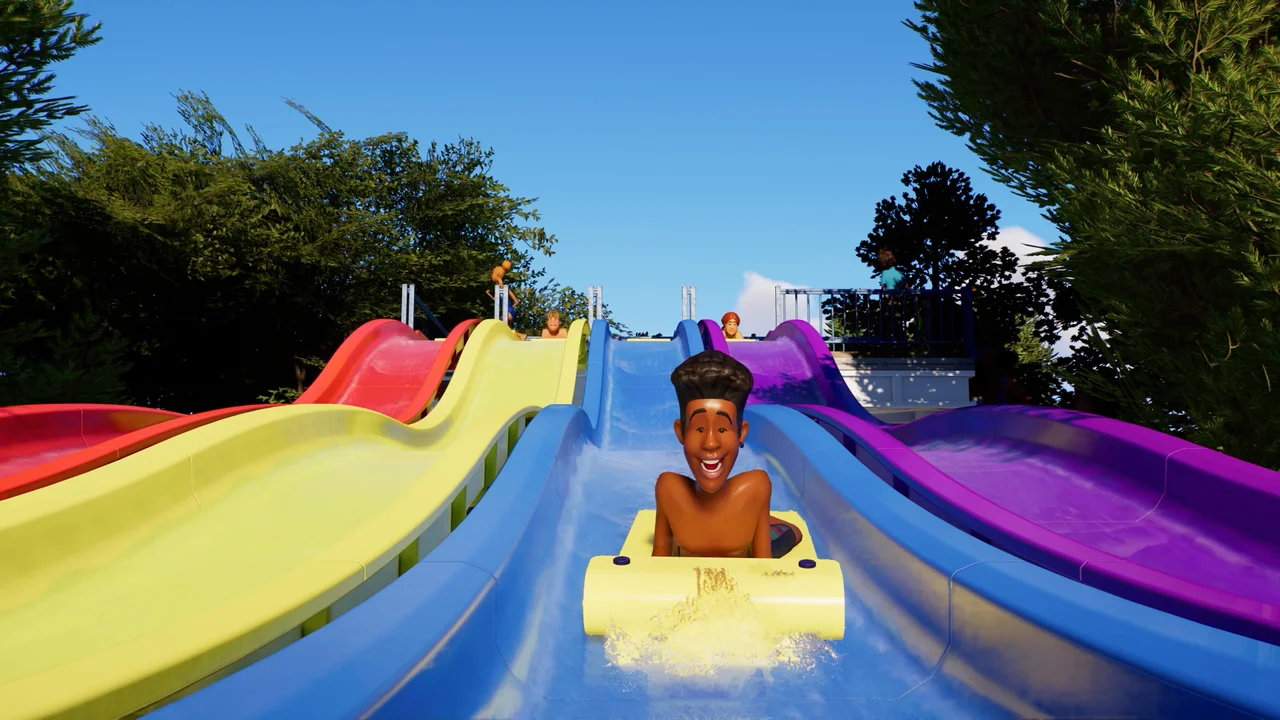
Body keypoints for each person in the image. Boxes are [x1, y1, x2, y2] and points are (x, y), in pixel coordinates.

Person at [653, 350, 803, 559]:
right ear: (681, 432)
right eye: (699, 429)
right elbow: (657, 562)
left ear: (741, 433)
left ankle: (775, 522)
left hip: (751, 550)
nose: (710, 443)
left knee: (792, 533)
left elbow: (763, 563)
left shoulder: (755, 487)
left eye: (722, 429)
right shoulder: (669, 488)